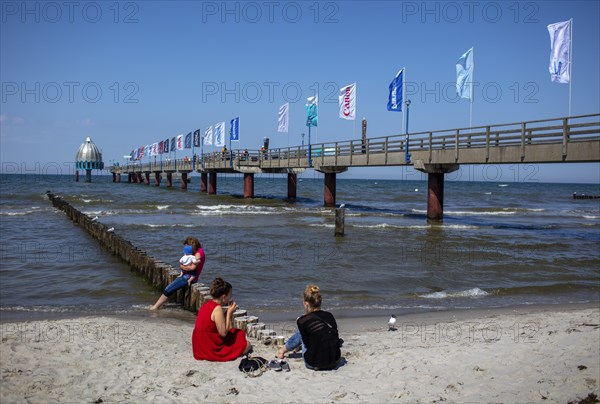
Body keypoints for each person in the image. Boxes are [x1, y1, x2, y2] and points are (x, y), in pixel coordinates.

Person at [276, 284, 342, 370]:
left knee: (301, 332)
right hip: (335, 360)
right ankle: (286, 349)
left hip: (314, 363)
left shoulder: (303, 320)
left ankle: (282, 351)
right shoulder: (330, 315)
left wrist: (300, 322)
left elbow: (307, 343)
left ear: (306, 304)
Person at [192, 277, 251, 361]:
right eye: (229, 296)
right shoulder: (217, 308)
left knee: (237, 332)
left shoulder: (207, 303)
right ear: (223, 297)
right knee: (247, 345)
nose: (230, 298)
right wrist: (229, 313)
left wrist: (226, 312)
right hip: (210, 348)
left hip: (199, 345)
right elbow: (223, 333)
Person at [150, 236, 205, 310]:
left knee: (168, 289)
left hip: (188, 277)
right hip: (187, 276)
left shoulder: (198, 253)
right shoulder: (197, 251)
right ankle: (160, 305)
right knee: (170, 289)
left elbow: (192, 268)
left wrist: (182, 267)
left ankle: (155, 307)